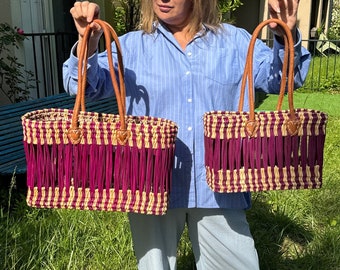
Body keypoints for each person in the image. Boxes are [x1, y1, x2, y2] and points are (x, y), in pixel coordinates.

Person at [63, 0, 310, 269]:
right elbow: (82, 86)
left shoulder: (235, 43)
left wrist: (286, 34)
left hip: (218, 184)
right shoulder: (131, 47)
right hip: (150, 182)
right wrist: (87, 41)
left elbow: (285, 79)